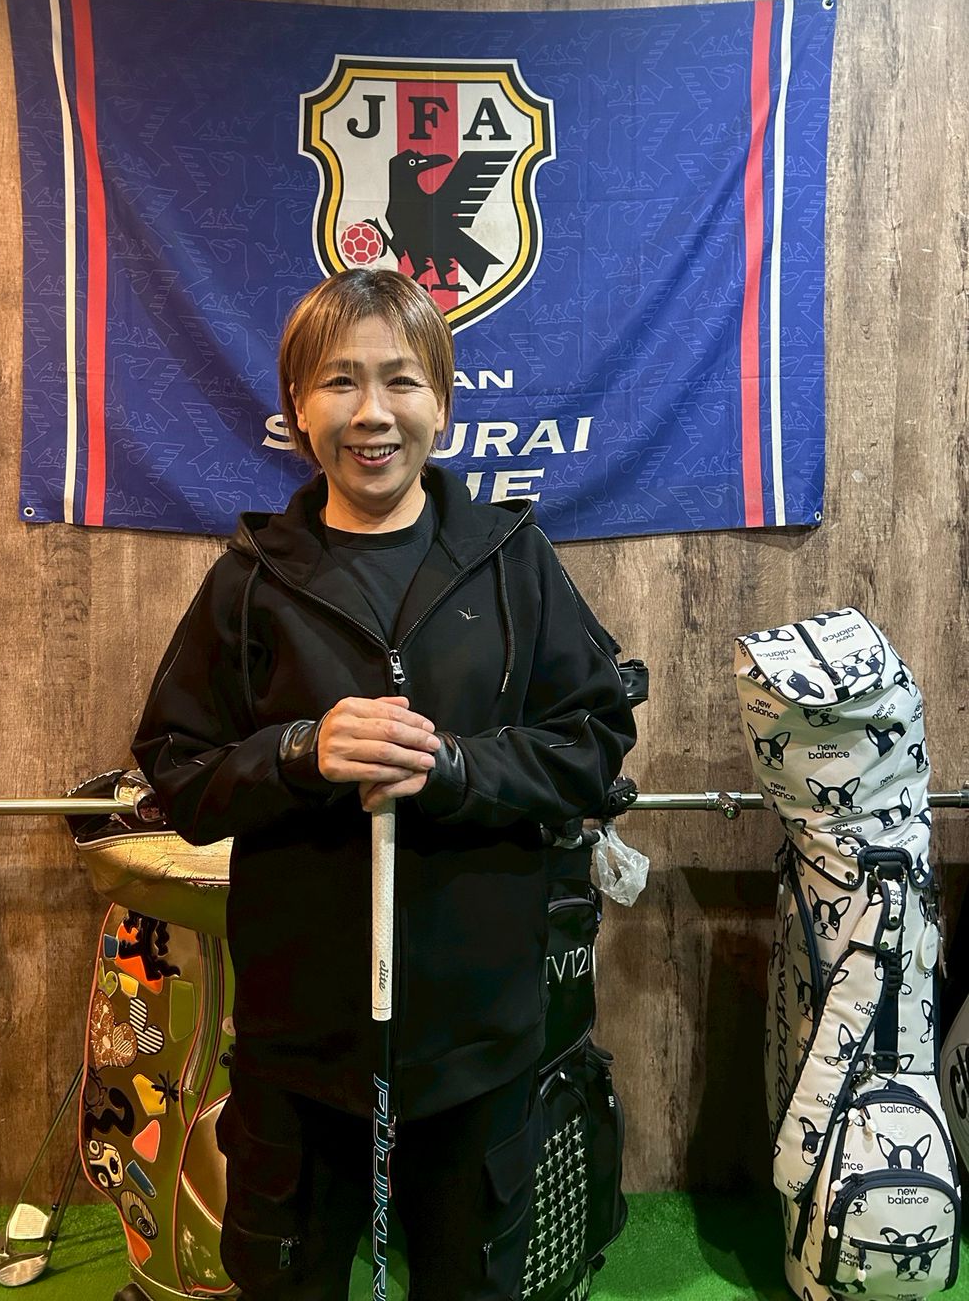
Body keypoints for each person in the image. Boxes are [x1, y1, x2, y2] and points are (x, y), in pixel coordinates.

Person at [132, 268, 636, 1301]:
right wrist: (297, 753)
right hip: (298, 1055)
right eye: (339, 381)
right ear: (297, 409)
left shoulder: (514, 563)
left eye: (401, 380)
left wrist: (455, 767)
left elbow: (591, 744)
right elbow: (179, 775)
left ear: (441, 404)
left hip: (478, 1050)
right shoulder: (250, 579)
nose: (372, 412)